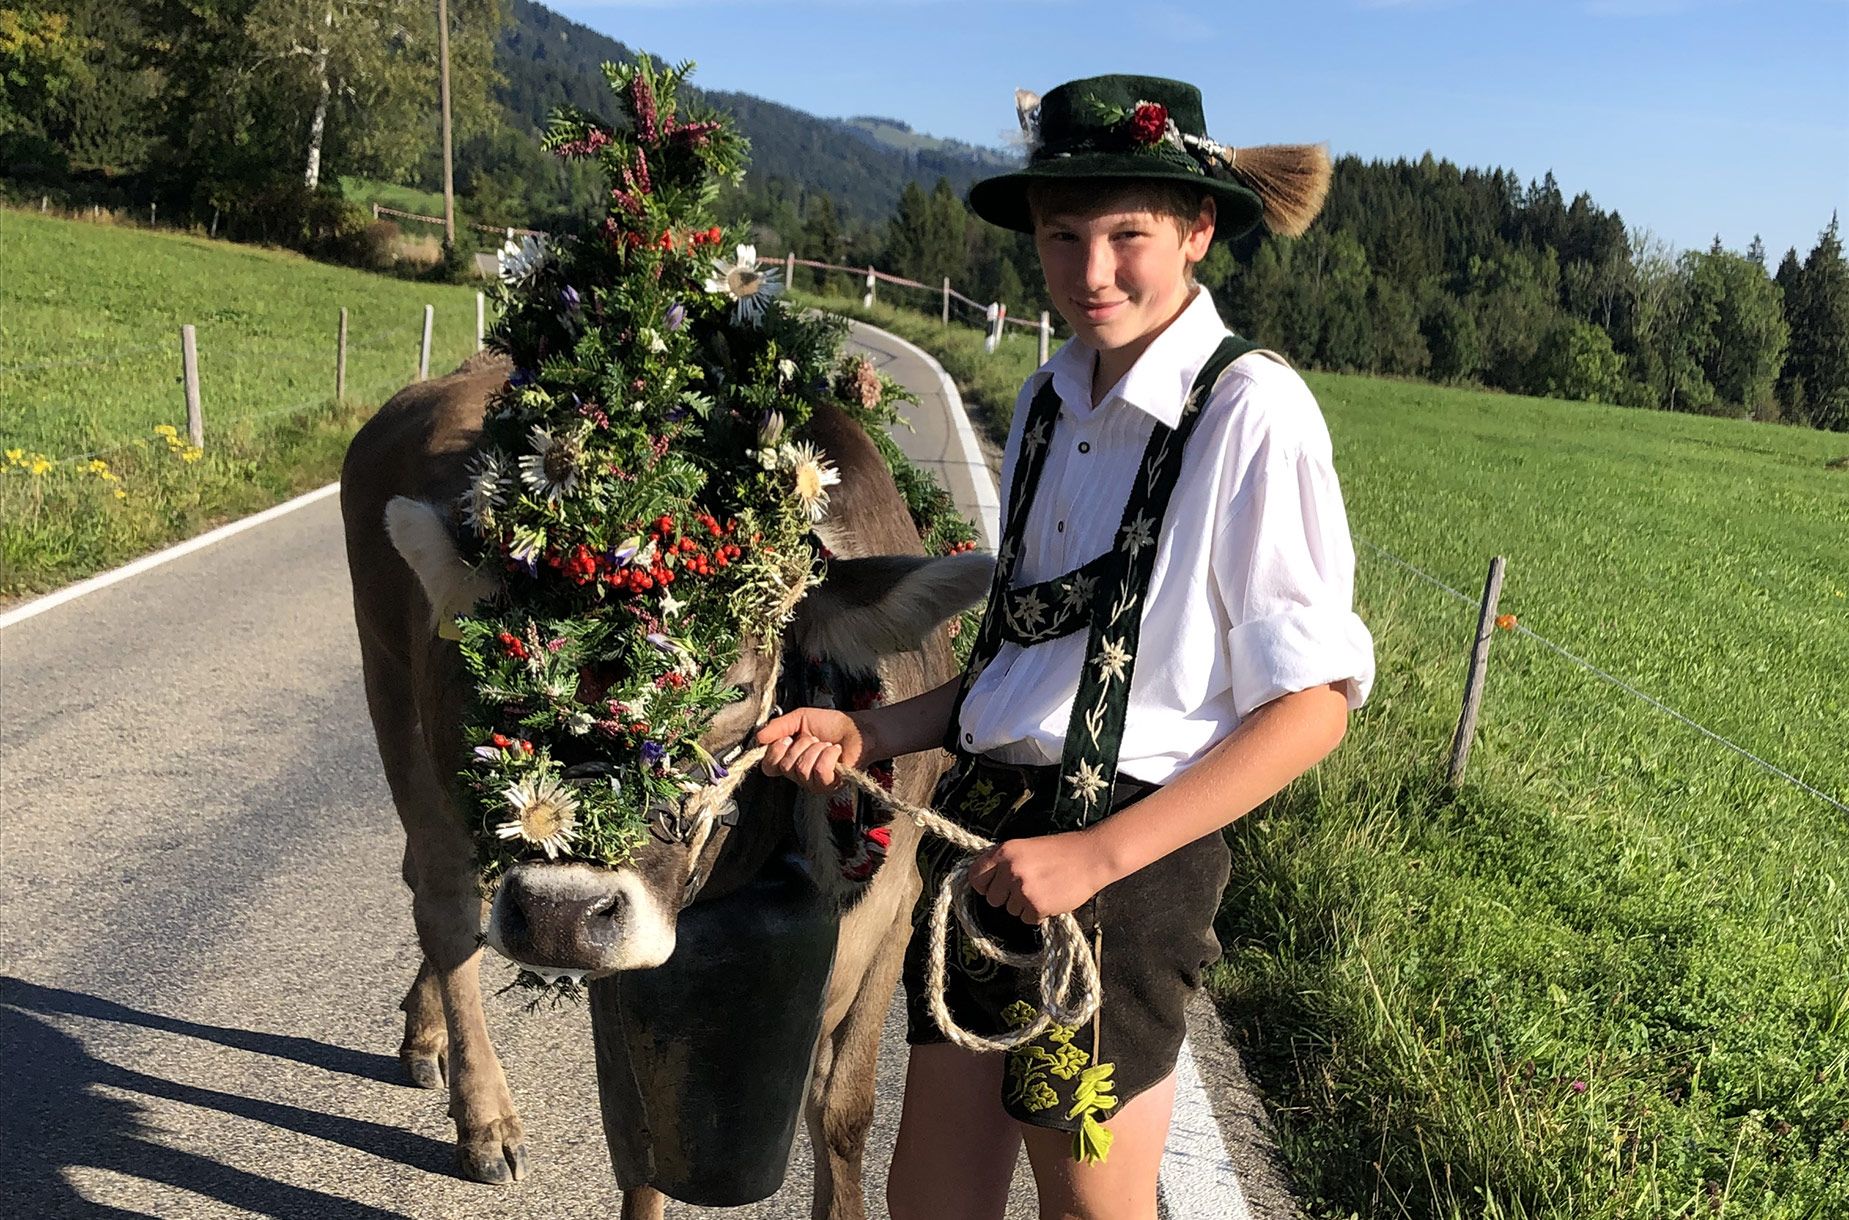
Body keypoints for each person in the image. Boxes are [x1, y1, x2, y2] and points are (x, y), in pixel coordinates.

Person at [757, 74, 1376, 1220]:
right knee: (930, 1199)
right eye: (1061, 235)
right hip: (984, 835)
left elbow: (1314, 707)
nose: (1091, 270)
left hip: (1126, 866)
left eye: (1125, 235)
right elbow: (1016, 668)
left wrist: (1092, 857)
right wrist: (872, 725)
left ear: (1197, 232)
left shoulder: (1251, 412)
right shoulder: (1048, 399)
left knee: (1091, 1204)